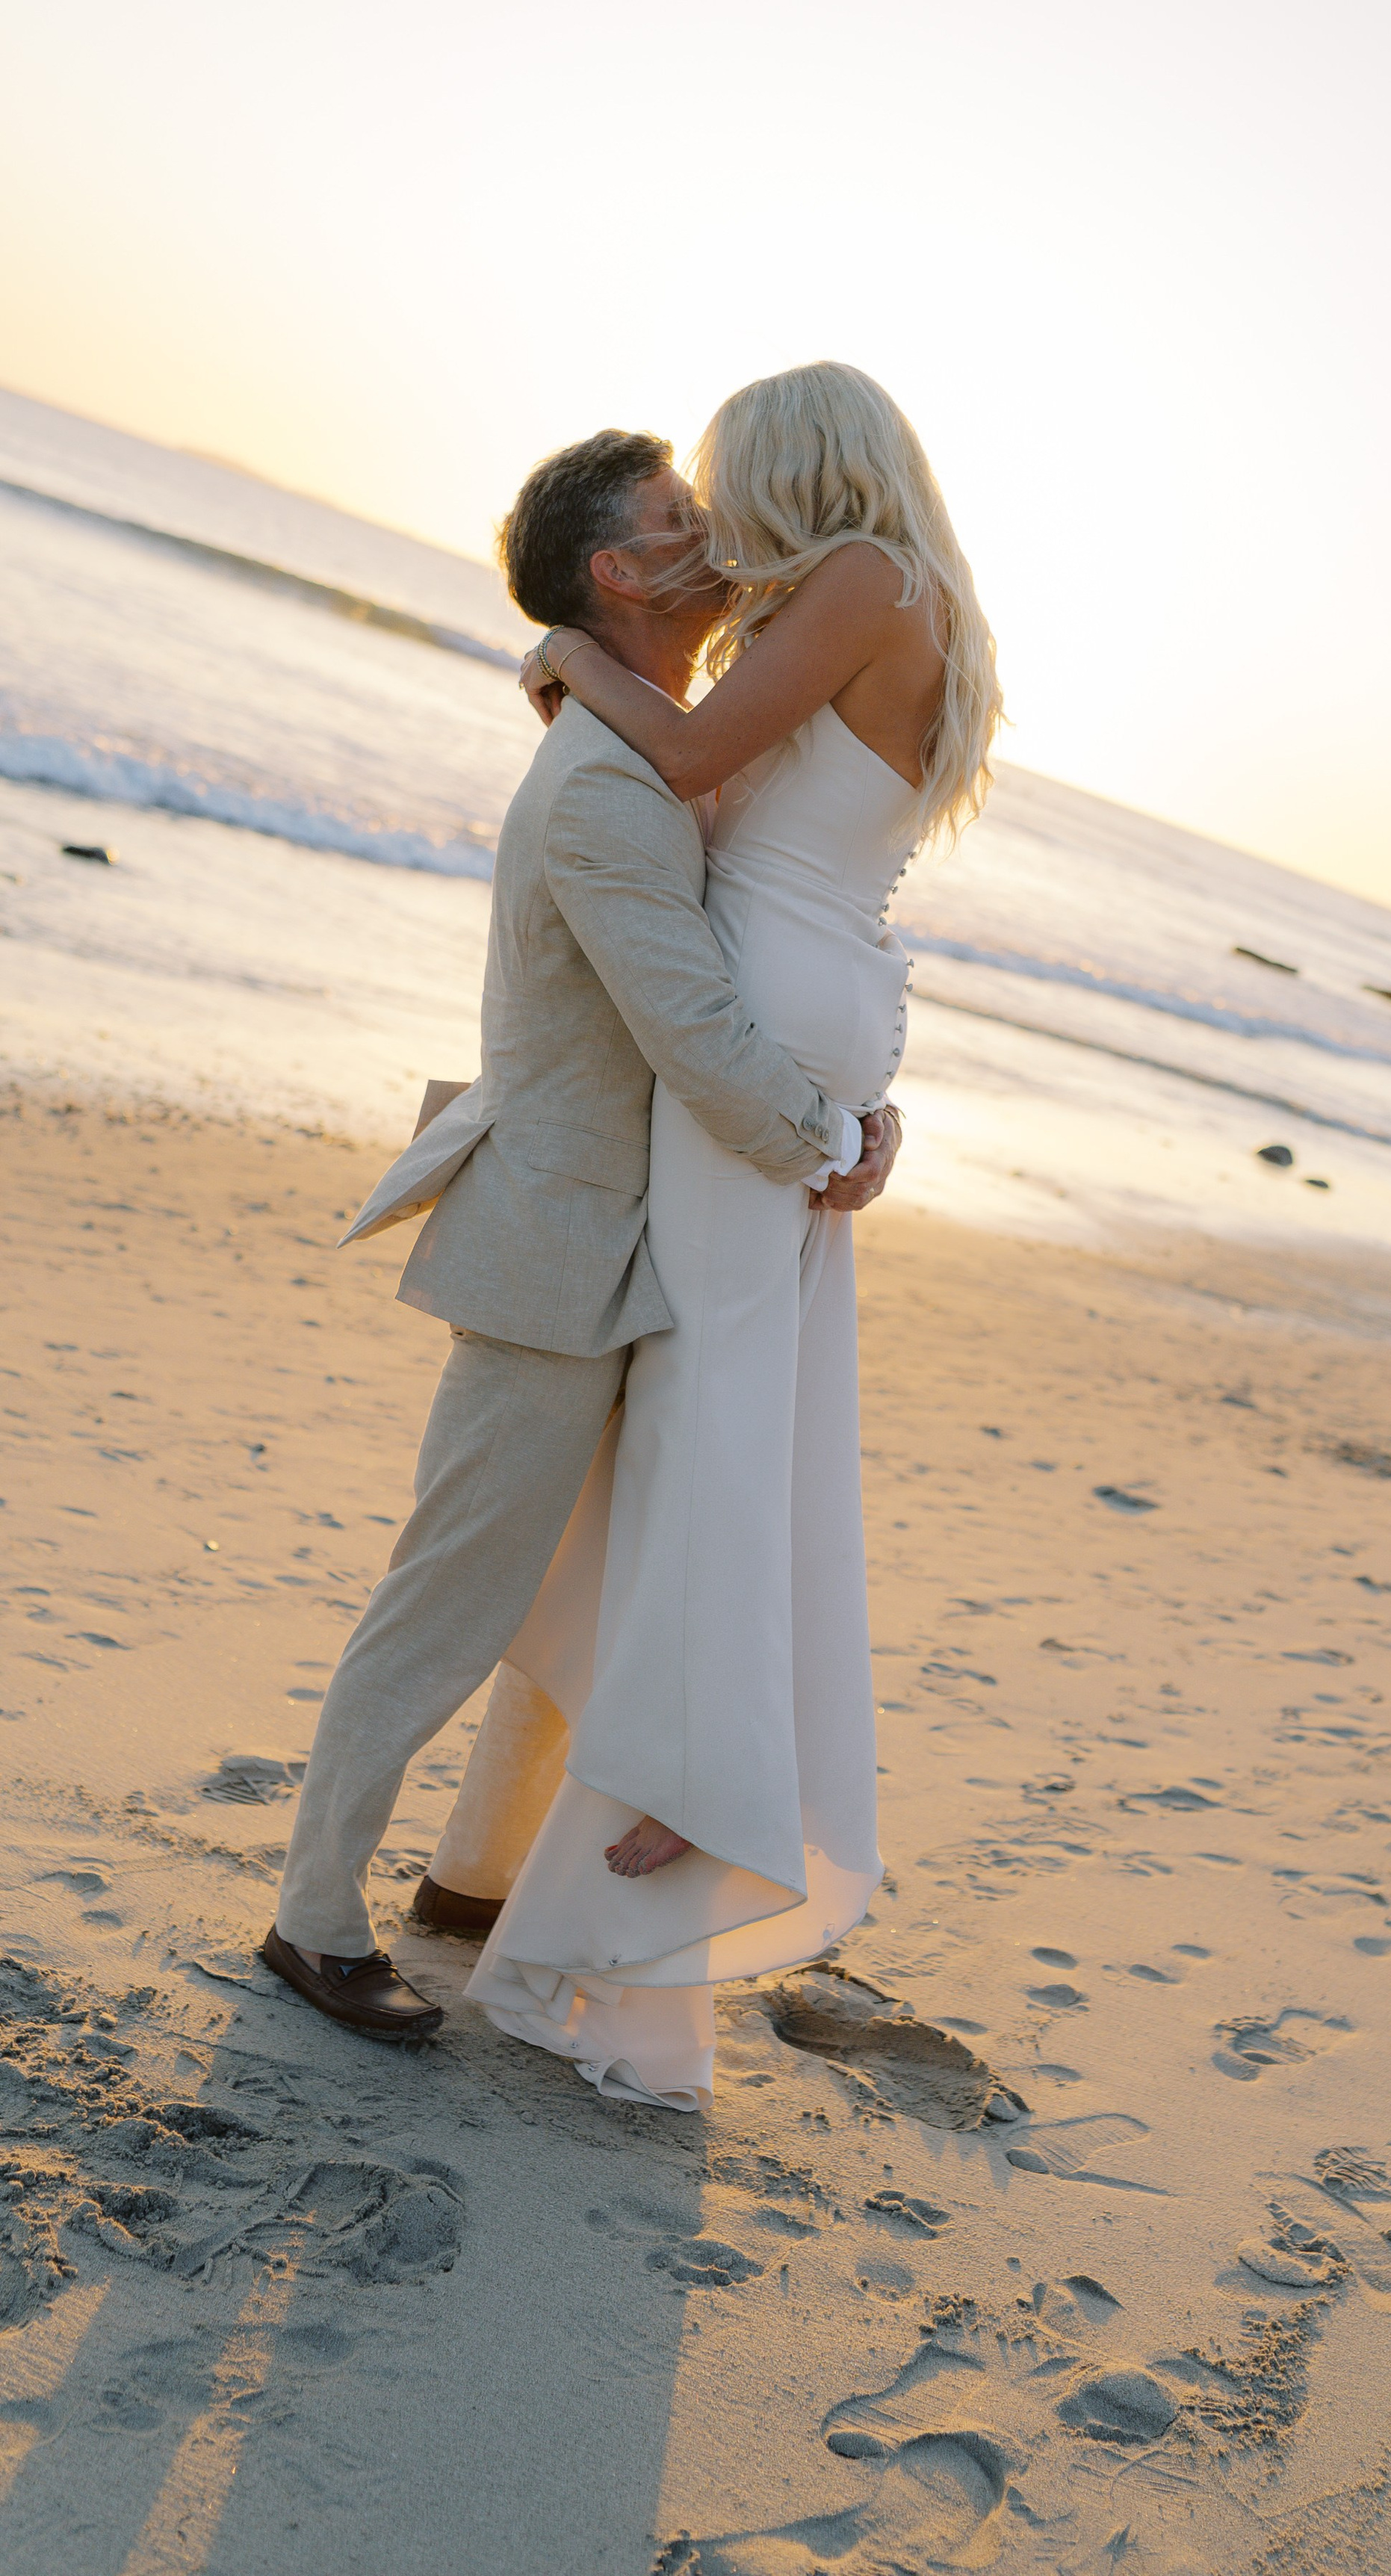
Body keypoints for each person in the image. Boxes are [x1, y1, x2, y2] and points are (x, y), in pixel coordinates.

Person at [258, 427, 901, 2040]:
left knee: (567, 1587)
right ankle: (312, 1917)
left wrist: (856, 1094)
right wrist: (825, 1136)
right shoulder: (609, 791)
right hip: (555, 1250)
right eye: (681, 521)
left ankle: (470, 1883)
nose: (716, 537)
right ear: (619, 573)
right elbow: (692, 1025)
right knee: (453, 1597)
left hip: (641, 1240)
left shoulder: (649, 741)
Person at [447, 359, 1000, 2107]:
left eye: (722, 480)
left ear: (797, 467)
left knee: (704, 1423)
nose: (712, 515)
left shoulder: (863, 580)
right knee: (710, 1413)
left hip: (774, 1034)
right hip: (810, 1022)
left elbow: (679, 751)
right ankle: (589, 1811)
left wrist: (563, 657)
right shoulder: (900, 603)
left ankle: (698, 1781)